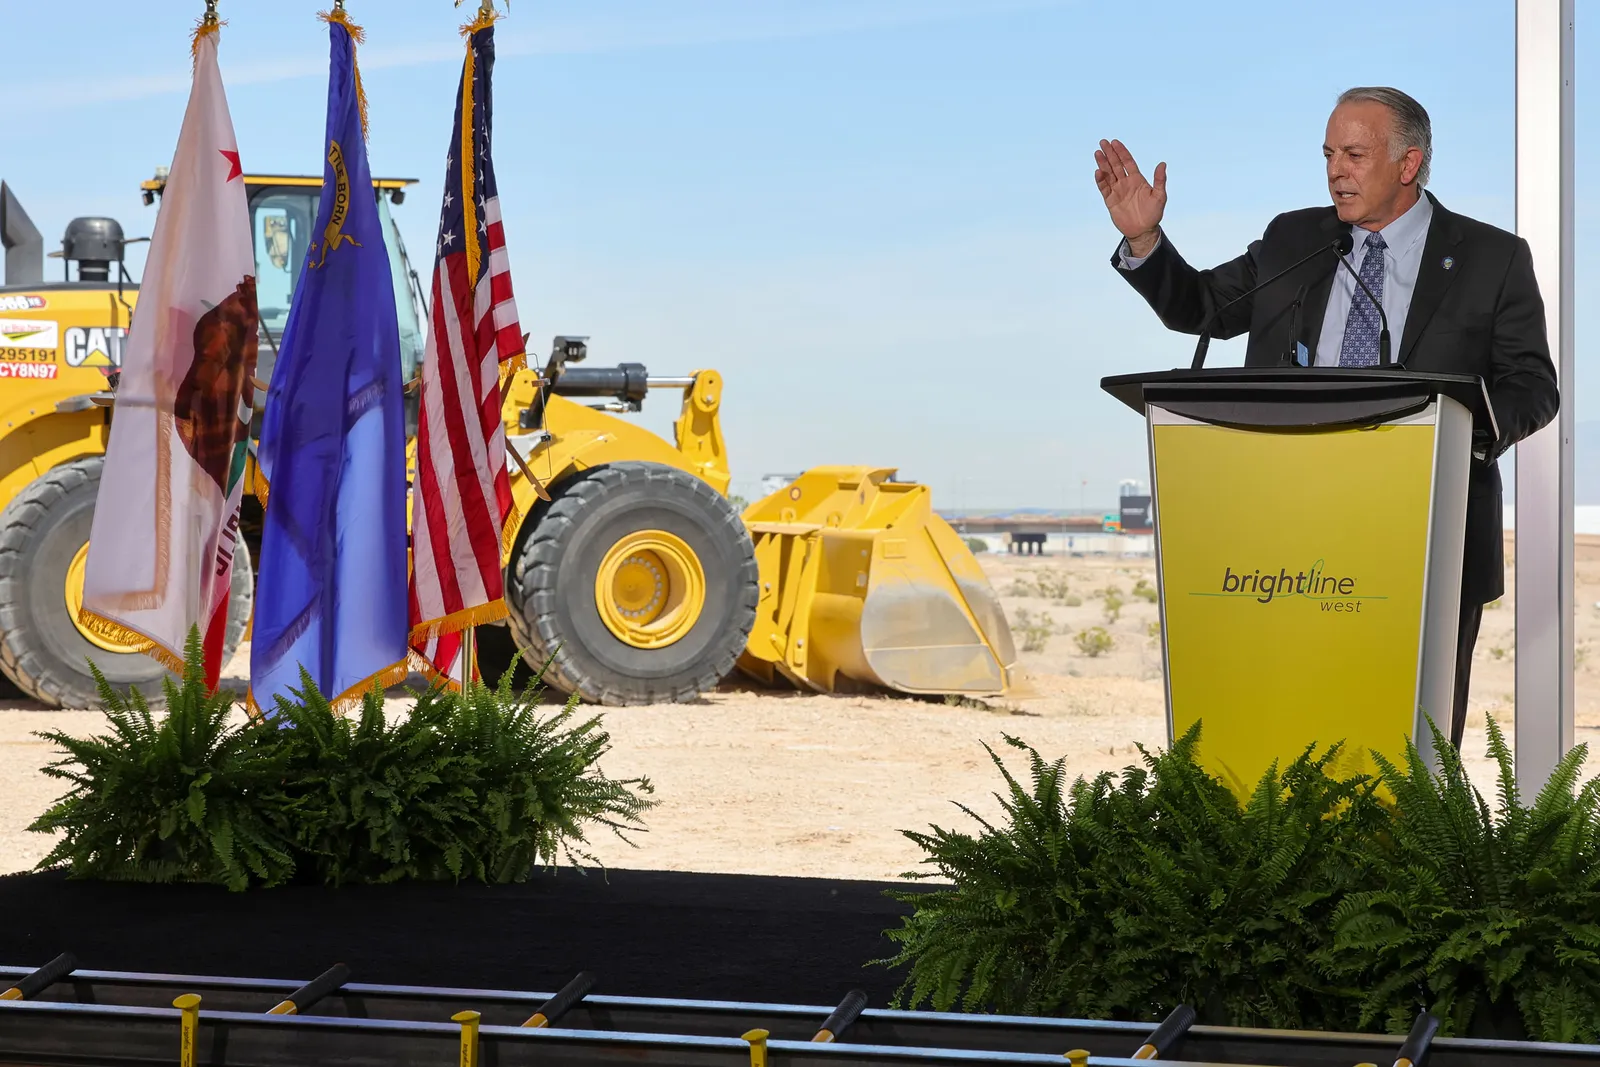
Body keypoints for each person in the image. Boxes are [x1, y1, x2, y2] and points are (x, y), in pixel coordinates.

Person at [1095, 86, 1558, 748]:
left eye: (1354, 153)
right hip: (1279, 535)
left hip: (1428, 532)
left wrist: (1458, 436)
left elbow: (1533, 385)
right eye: (1328, 154)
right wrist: (1144, 238)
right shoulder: (1295, 240)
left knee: (1408, 748)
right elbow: (1202, 307)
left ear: (1408, 163)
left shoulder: (1491, 257)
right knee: (1280, 731)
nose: (1336, 169)